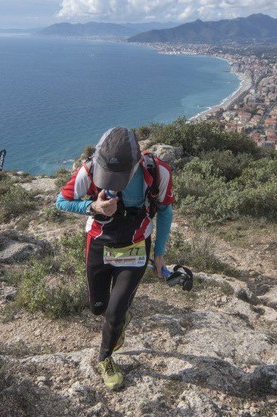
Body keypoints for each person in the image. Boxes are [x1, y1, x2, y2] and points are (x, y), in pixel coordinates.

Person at [55, 127, 174, 390]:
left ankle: (105, 357)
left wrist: (160, 255)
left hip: (135, 246)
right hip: (99, 244)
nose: (110, 181)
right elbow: (61, 201)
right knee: (98, 308)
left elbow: (165, 212)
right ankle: (119, 319)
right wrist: (92, 207)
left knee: (115, 311)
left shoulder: (157, 171)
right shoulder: (89, 169)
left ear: (136, 163)